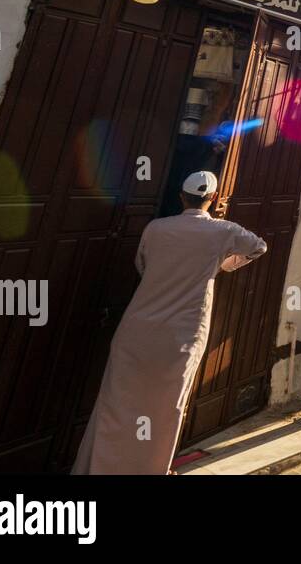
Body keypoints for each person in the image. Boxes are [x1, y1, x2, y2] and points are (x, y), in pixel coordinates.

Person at [73, 171, 268, 474]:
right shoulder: (224, 231)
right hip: (182, 335)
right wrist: (223, 264)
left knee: (116, 404)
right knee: (165, 410)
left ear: (181, 196)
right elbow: (259, 246)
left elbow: (142, 265)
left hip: (136, 329)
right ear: (214, 199)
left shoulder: (156, 228)